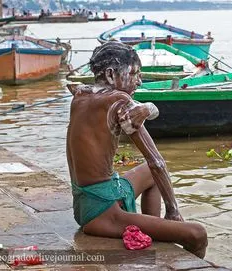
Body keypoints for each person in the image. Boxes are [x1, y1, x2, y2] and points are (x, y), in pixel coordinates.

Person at [66, 41, 208, 258]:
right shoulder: (119, 101)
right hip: (103, 213)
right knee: (197, 234)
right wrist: (173, 212)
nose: (139, 81)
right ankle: (166, 235)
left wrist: (149, 107)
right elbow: (156, 162)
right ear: (112, 75)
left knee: (149, 175)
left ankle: (156, 235)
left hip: (84, 205)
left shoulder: (80, 94)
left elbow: (112, 103)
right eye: (134, 74)